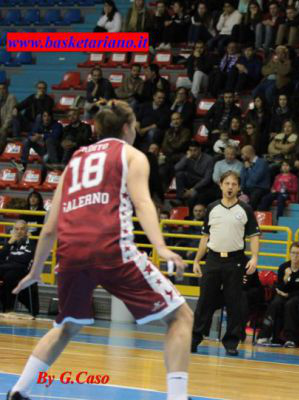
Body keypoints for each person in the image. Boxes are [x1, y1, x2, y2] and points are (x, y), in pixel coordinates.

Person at [7, 99, 193, 400]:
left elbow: (51, 225)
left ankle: (19, 390)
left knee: (66, 325)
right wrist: (161, 246)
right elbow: (144, 203)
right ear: (126, 128)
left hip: (70, 252)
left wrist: (35, 268)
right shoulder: (132, 155)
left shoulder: (75, 160)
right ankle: (177, 396)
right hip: (110, 247)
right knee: (181, 317)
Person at [190, 170, 261, 356]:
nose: (230, 187)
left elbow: (254, 236)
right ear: (221, 185)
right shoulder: (212, 208)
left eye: (234, 184)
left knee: (234, 302)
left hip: (235, 260)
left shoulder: (245, 209)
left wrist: (254, 257)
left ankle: (231, 342)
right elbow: (205, 237)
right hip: (212, 259)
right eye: (227, 183)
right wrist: (197, 260)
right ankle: (194, 338)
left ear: (238, 187)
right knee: (205, 301)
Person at [256, 241, 299, 346]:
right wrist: (285, 278)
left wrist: (289, 295)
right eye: (293, 253)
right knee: (274, 304)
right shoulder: (283, 267)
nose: (295, 256)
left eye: (298, 253)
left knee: (290, 304)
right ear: (290, 253)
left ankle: (290, 339)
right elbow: (279, 286)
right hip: (283, 294)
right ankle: (263, 335)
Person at [0, 220, 35, 313]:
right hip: (8, 268)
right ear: (13, 231)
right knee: (8, 274)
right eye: (17, 229)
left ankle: (8, 308)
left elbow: (25, 259)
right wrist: (9, 243)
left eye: (22, 229)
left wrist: (11, 258)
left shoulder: (31, 242)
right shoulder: (10, 242)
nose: (19, 231)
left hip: (23, 271)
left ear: (27, 231)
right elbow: (1, 257)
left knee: (9, 276)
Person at [174, 141, 215, 208]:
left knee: (194, 194)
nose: (193, 152)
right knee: (179, 174)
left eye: (195, 150)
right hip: (191, 179)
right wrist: (186, 158)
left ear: (200, 149)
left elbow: (207, 179)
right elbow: (176, 168)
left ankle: (187, 199)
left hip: (202, 182)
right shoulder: (187, 157)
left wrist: (193, 189)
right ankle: (180, 198)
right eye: (191, 150)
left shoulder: (209, 159)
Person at [240, 144, 271, 210]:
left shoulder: (262, 163)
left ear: (248, 153)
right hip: (249, 188)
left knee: (255, 195)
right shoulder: (245, 163)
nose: (242, 156)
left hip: (260, 188)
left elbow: (255, 178)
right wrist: (241, 190)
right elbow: (242, 178)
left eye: (243, 154)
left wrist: (249, 168)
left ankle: (250, 216)